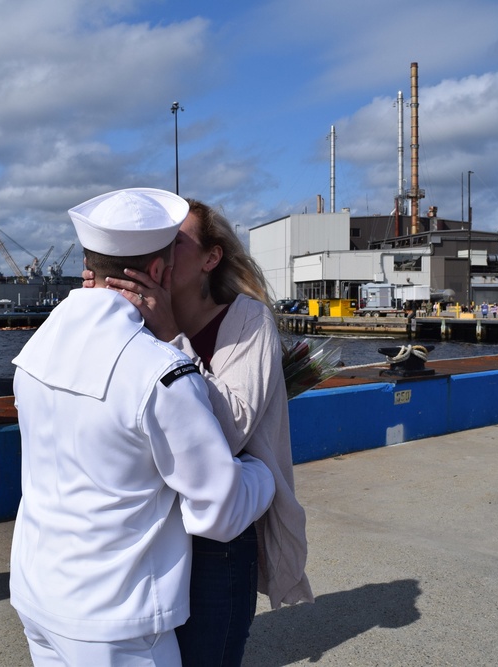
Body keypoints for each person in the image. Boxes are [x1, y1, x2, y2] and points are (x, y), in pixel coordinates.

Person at [9, 188, 276, 666]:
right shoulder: (161, 372)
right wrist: (262, 475)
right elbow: (218, 509)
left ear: (90, 264)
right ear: (157, 272)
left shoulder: (38, 347)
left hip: (37, 596)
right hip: (116, 619)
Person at [89, 199, 313, 666]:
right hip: (150, 529)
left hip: (219, 537)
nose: (162, 253)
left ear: (211, 259)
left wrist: (171, 338)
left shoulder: (247, 321)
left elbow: (230, 433)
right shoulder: (131, 318)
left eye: (177, 242)